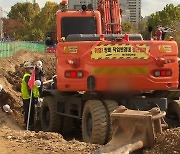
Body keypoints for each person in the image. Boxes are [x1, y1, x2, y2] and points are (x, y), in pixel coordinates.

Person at [21, 61, 40, 130]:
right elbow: (30, 87)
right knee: (29, 111)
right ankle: (28, 124)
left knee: (31, 111)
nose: (32, 70)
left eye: (32, 68)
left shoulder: (30, 76)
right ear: (27, 69)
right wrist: (34, 97)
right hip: (28, 97)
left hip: (29, 96)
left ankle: (30, 124)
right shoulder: (27, 77)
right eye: (31, 68)